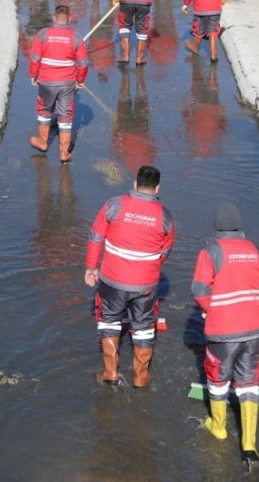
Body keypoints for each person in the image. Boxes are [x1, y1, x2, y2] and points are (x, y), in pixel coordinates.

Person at [84, 165, 175, 388]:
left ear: (134, 184)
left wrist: (91, 267)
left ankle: (110, 372)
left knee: (109, 321)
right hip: (146, 284)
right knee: (144, 326)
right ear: (157, 188)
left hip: (113, 281)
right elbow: (164, 252)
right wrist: (148, 268)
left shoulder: (114, 205)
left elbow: (96, 236)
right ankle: (141, 377)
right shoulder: (165, 216)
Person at [191, 201, 259, 471]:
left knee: (218, 378)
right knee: (248, 384)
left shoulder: (211, 251)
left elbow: (199, 291)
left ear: (217, 226)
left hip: (223, 332)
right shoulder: (253, 250)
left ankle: (219, 427)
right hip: (255, 329)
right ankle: (249, 446)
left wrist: (214, 310)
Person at [28, 4, 89, 163]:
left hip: (46, 81)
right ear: (69, 19)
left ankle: (42, 142)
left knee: (44, 110)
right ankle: (64, 153)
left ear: (54, 18)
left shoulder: (43, 34)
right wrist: (80, 80)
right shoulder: (75, 37)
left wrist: (33, 76)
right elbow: (82, 63)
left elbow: (35, 58)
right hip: (67, 84)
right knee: (65, 116)